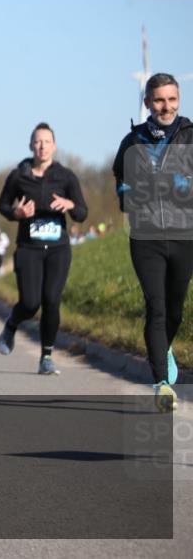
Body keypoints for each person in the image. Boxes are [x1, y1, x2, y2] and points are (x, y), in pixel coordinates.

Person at [113, 72, 192, 412]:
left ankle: (165, 347)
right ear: (147, 102)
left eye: (172, 99)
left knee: (175, 310)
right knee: (156, 306)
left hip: (184, 234)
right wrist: (128, 192)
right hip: (146, 238)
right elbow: (121, 185)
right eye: (159, 100)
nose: (166, 106)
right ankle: (161, 383)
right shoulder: (132, 142)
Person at [0, 122, 88, 375]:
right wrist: (16, 212)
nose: (42, 146)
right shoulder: (18, 175)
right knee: (30, 302)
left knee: (51, 301)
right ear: (30, 146)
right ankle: (12, 323)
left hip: (58, 248)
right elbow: (2, 206)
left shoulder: (66, 176)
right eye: (37, 141)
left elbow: (82, 213)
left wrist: (69, 204)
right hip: (29, 248)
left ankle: (46, 357)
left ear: (54, 146)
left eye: (47, 141)